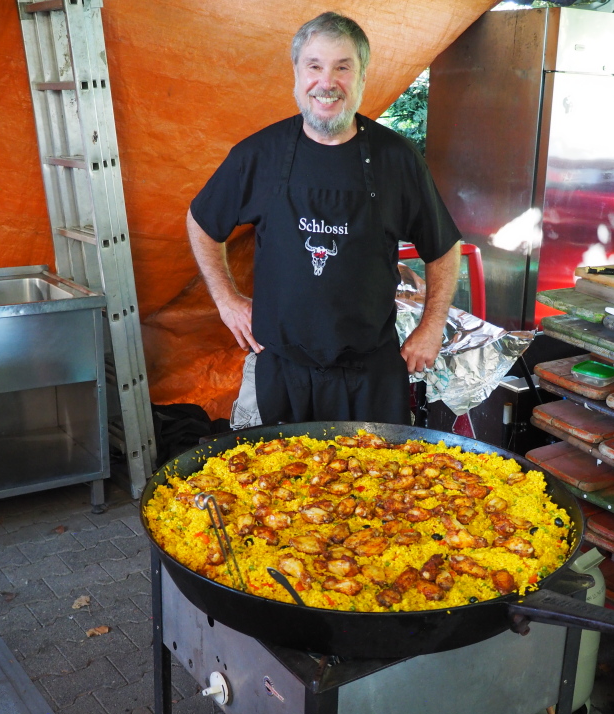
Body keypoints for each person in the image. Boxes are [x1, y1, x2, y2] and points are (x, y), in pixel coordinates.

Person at [187, 11, 461, 426]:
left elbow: (444, 247)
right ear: (297, 75)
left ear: (362, 77)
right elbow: (201, 221)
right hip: (282, 371)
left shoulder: (397, 159)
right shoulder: (258, 155)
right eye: (314, 66)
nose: (326, 82)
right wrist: (227, 301)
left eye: (342, 68)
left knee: (377, 469)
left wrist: (431, 327)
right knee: (278, 468)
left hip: (370, 374)